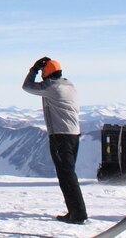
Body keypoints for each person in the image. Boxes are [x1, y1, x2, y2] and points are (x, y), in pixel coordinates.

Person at [22, 56, 87, 225]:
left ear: (47, 73)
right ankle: (76, 211)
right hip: (73, 135)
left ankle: (78, 214)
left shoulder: (52, 86)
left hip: (61, 136)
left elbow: (27, 86)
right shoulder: (69, 85)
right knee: (69, 174)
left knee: (66, 175)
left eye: (43, 71)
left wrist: (33, 69)